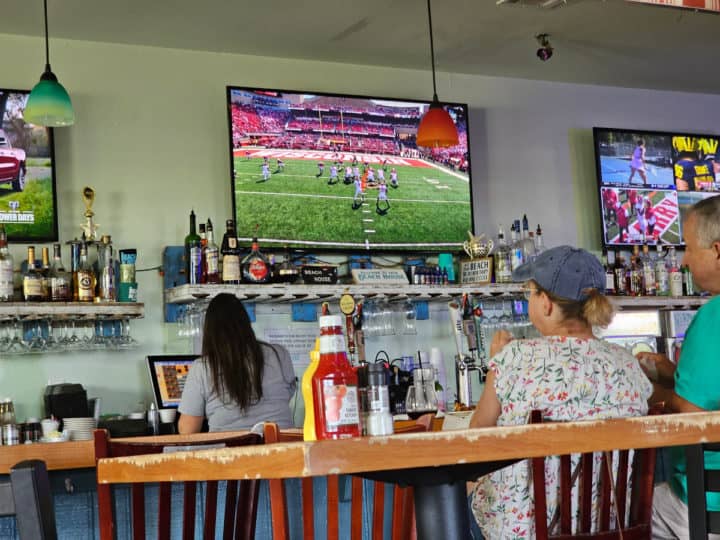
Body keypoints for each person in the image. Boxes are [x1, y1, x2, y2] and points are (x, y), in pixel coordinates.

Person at [469, 246, 652, 539]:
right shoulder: (627, 362)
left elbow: (475, 438)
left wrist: (497, 362)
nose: (529, 298)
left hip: (527, 532)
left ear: (546, 304)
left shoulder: (514, 358)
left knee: (458, 501)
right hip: (613, 527)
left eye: (530, 291)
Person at [635, 195, 720, 539]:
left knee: (626, 509)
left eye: (687, 248)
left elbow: (693, 411)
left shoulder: (712, 316)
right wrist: (673, 373)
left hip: (708, 505)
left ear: (717, 250)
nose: (683, 259)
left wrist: (653, 391)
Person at [178, 294, 296, 433]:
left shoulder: (203, 367)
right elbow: (285, 395)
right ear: (245, 323)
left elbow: (187, 431)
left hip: (228, 451)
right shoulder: (279, 354)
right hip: (283, 449)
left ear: (209, 331)